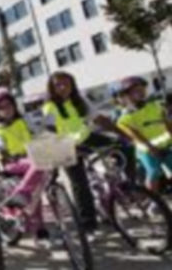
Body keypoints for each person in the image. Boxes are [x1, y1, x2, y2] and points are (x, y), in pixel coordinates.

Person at [42, 71, 133, 232]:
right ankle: (88, 224)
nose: (63, 87)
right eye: (58, 85)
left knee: (124, 146)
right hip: (65, 145)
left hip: (85, 138)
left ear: (72, 84)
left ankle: (128, 185)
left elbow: (100, 120)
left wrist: (123, 134)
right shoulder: (50, 107)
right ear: (52, 88)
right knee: (80, 183)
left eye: (66, 83)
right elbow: (51, 130)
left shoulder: (80, 100)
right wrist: (66, 148)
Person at [0, 91, 49, 241]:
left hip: (30, 158)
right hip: (12, 162)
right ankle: (21, 194)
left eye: (8, 105)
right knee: (38, 167)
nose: (6, 109)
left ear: (14, 106)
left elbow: (38, 131)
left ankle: (40, 229)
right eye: (1, 108)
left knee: (36, 193)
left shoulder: (23, 121)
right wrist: (3, 152)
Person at [116, 76, 172, 193]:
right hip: (146, 150)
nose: (141, 93)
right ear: (127, 95)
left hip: (165, 145)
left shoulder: (156, 106)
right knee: (154, 172)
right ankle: (154, 201)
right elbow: (136, 136)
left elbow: (167, 124)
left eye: (142, 89)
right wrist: (151, 148)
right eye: (136, 91)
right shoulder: (125, 118)